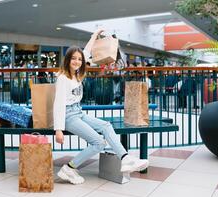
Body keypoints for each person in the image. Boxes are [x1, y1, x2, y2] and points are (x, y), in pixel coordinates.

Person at [54, 29, 149, 185]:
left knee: (106, 126)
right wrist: (58, 129)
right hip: (68, 116)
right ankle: (69, 168)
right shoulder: (63, 78)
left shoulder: (77, 74)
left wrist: (94, 36)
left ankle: (125, 159)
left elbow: (85, 52)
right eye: (73, 59)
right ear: (67, 60)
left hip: (78, 112)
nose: (77, 61)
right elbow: (58, 104)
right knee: (99, 143)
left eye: (79, 59)